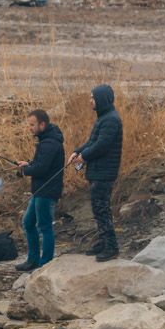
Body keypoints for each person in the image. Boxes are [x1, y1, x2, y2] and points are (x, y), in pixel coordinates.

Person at [69, 84, 123, 262]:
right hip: (98, 171)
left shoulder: (111, 120)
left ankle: (111, 247)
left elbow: (101, 146)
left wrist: (83, 157)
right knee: (98, 209)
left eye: (92, 97)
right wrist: (77, 151)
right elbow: (92, 141)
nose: (90, 100)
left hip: (104, 173)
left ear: (101, 99)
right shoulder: (104, 118)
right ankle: (103, 242)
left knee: (101, 209)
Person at [15, 109, 64, 271]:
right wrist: (28, 164)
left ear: (42, 125)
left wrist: (26, 170)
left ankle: (45, 264)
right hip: (40, 191)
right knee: (28, 223)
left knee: (45, 227)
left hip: (47, 192)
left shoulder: (50, 144)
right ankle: (33, 260)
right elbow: (41, 163)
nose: (29, 128)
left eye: (32, 125)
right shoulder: (46, 141)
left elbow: (42, 169)